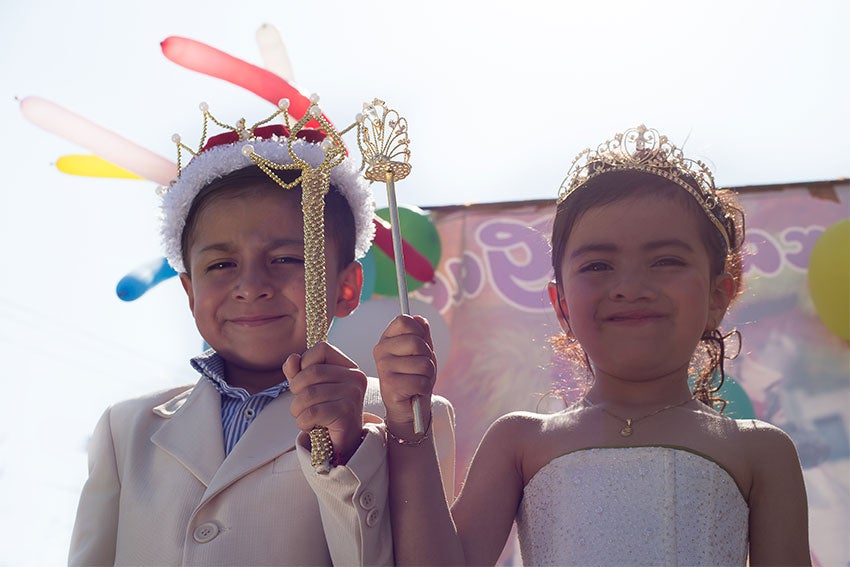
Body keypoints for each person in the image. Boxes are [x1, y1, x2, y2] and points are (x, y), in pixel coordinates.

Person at [378, 125, 811, 565]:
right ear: (562, 304)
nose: (630, 286)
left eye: (665, 261)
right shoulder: (520, 441)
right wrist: (408, 429)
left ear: (719, 295)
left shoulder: (761, 452)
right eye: (599, 265)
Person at [68, 101, 455, 566]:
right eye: (221, 264)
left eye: (287, 259)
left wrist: (347, 450)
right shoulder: (126, 428)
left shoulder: (406, 417)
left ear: (347, 287)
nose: (251, 287)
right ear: (189, 291)